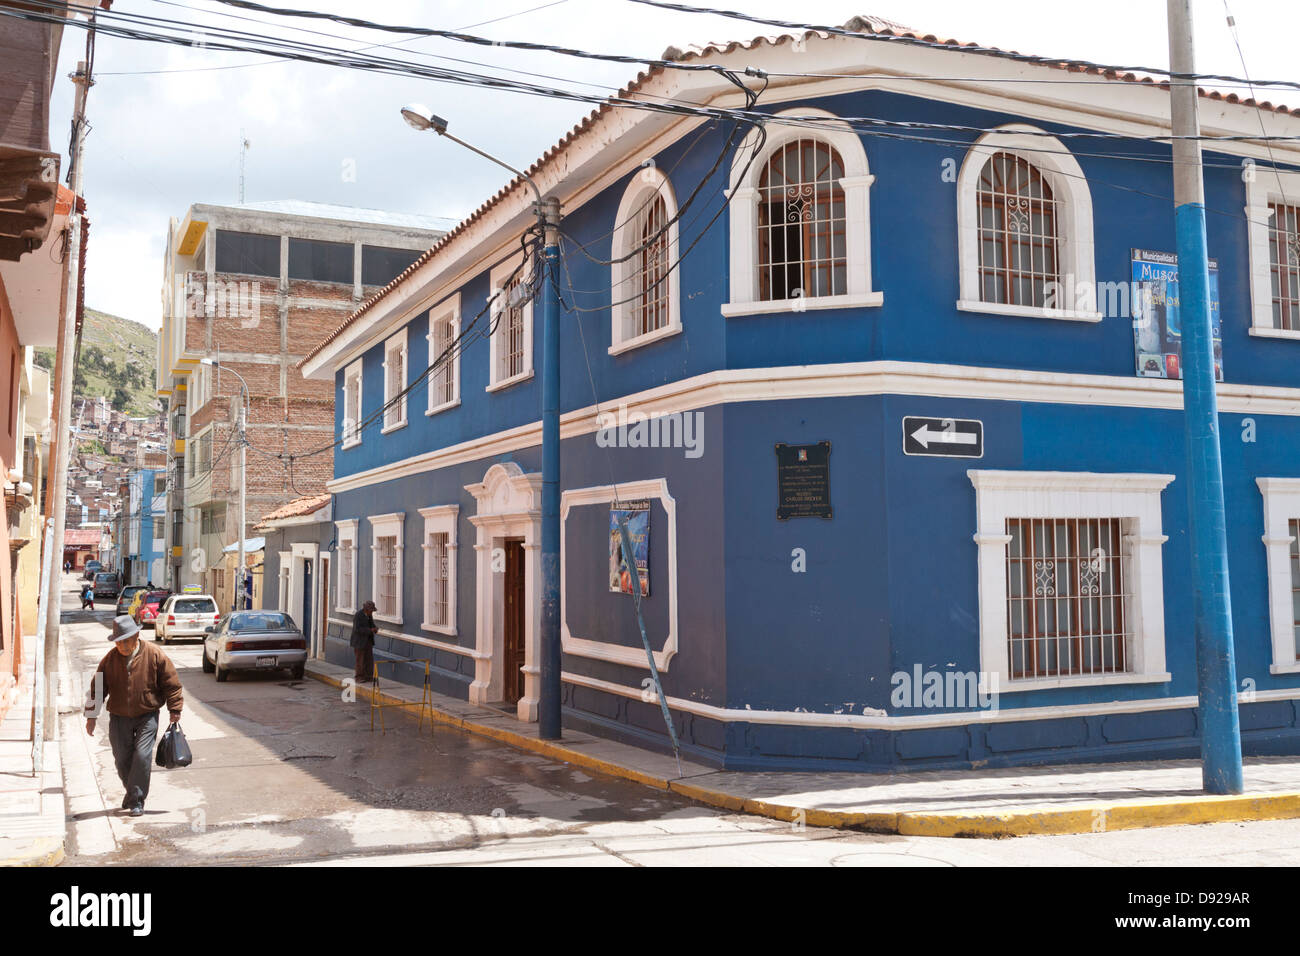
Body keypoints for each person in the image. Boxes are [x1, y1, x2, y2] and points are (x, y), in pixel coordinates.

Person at [84, 615, 184, 817]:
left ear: (136, 635)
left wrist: (175, 709)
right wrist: (92, 717)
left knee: (142, 756)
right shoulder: (109, 660)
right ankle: (132, 791)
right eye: (118, 641)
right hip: (119, 717)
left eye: (125, 640)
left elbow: (171, 683)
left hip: (147, 715)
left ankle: (137, 800)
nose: (122, 645)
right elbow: (98, 689)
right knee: (121, 759)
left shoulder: (154, 654)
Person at [350, 600, 377, 682]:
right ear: (366, 609)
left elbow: (372, 624)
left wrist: (375, 629)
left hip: (368, 641)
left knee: (369, 659)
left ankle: (369, 676)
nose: (372, 612)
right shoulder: (358, 615)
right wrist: (370, 630)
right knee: (360, 660)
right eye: (371, 610)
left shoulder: (369, 615)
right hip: (359, 641)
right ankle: (359, 677)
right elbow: (357, 629)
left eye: (372, 611)